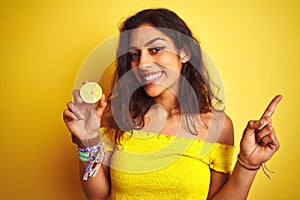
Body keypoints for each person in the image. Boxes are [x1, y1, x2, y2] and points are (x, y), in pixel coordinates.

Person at [63, 8, 282, 200]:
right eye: (134, 55)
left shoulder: (217, 126)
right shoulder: (115, 115)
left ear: (184, 53)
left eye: (155, 49)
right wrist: (88, 141)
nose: (143, 63)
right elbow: (98, 195)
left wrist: (248, 165)